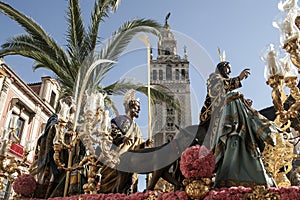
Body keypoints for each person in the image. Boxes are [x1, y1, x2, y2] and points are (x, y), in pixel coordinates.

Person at [199, 60, 280, 188]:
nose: (229, 71)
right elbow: (220, 90)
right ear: (222, 68)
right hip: (213, 116)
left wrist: (243, 102)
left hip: (228, 114)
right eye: (227, 69)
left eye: (230, 69)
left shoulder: (231, 97)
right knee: (234, 95)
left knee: (235, 97)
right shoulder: (213, 78)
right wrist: (238, 79)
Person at [99, 89, 152, 194]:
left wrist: (145, 144)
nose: (138, 110)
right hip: (118, 155)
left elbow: (138, 145)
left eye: (139, 108)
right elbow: (112, 129)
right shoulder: (121, 119)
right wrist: (122, 138)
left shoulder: (136, 127)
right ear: (130, 107)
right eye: (137, 108)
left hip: (131, 160)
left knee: (130, 183)